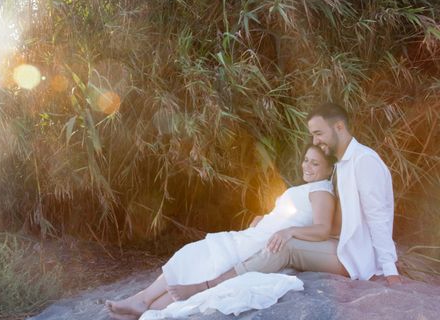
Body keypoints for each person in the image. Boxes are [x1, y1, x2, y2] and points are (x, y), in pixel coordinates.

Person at [165, 102, 402, 303]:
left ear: (339, 127)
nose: (315, 140)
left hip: (355, 256)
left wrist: (390, 271)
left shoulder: (364, 162)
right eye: (312, 134)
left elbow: (378, 217)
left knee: (284, 246)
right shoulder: (341, 164)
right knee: (276, 238)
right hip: (338, 242)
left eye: (319, 133)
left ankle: (208, 285)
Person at [106, 144, 336, 320]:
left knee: (197, 255)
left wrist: (289, 231)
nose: (307, 166)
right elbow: (293, 213)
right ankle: (143, 306)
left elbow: (322, 229)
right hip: (255, 235)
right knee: (197, 260)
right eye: (306, 160)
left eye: (315, 164)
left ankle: (143, 302)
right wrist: (265, 218)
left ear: (329, 168)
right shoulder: (309, 188)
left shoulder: (322, 191)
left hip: (260, 243)